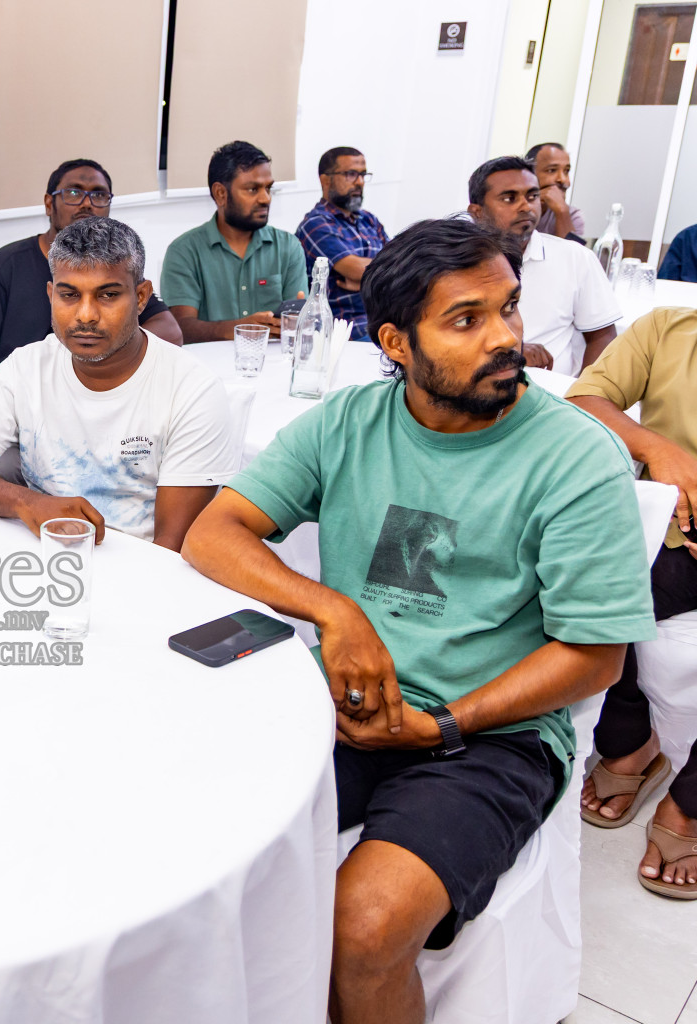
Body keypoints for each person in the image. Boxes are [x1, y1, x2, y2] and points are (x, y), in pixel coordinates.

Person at [181, 218, 654, 1023]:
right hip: (347, 702)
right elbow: (212, 534)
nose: (507, 338)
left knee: (362, 929)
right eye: (466, 320)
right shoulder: (347, 422)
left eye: (508, 308)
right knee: (188, 847)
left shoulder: (575, 457)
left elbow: (594, 657)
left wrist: (440, 726)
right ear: (396, 342)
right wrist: (333, 610)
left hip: (492, 735)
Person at [0, 217, 235, 550]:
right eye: (69, 295)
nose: (85, 315)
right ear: (51, 295)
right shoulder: (26, 367)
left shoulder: (192, 390)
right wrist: (27, 503)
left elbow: (171, 547)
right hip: (43, 561)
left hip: (144, 576)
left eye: (107, 295)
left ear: (141, 297)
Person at [567, 307, 697, 898]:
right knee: (598, 588)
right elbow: (584, 399)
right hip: (670, 535)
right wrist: (657, 448)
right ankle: (630, 740)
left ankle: (691, 798)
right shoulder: (670, 328)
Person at [0, 158, 182, 434]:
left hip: (77, 408)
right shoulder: (2, 267)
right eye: (73, 192)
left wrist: (103, 362)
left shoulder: (116, 270)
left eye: (99, 194)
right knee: (28, 464)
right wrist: (38, 391)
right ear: (48, 204)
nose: (86, 203)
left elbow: (170, 332)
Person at [467, 155, 619, 375]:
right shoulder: (457, 263)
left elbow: (602, 336)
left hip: (552, 395)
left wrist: (582, 394)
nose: (525, 206)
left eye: (533, 196)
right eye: (509, 198)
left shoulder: (575, 258)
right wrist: (509, 354)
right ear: (477, 212)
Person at [161, 141, 307, 343]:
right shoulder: (184, 251)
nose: (266, 199)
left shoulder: (288, 246)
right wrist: (242, 328)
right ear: (221, 193)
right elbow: (180, 328)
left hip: (274, 364)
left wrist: (299, 321)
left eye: (268, 188)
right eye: (252, 189)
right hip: (208, 367)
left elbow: (298, 320)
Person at [295, 146, 390, 339]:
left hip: (384, 321)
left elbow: (403, 266)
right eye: (351, 174)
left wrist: (364, 283)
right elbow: (356, 270)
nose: (360, 182)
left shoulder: (369, 220)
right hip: (346, 331)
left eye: (363, 175)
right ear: (325, 179)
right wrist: (377, 276)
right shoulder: (315, 224)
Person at [525, 142, 587, 243]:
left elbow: (573, 257)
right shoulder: (513, 208)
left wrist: (562, 212)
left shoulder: (573, 216)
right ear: (528, 175)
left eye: (566, 171)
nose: (563, 180)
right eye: (552, 170)